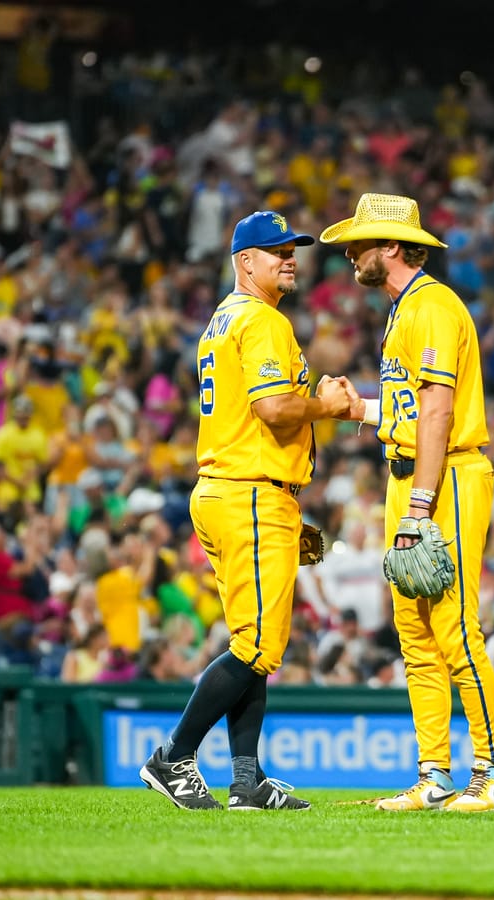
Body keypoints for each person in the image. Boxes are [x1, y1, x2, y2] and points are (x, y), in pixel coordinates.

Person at [139, 210, 349, 811]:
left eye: (292, 249)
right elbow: (276, 409)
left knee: (252, 641)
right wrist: (327, 405)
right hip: (248, 492)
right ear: (243, 262)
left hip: (233, 490)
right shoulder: (260, 319)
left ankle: (246, 780)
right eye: (275, 250)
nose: (289, 258)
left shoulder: (223, 319)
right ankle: (173, 756)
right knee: (257, 645)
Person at [319, 192, 494, 812]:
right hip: (413, 474)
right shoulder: (405, 310)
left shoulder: (430, 307)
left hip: (446, 478)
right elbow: (408, 411)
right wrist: (362, 410)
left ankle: (491, 776)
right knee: (415, 632)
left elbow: (438, 413)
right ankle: (434, 776)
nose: (350, 254)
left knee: (455, 626)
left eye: (361, 244)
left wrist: (420, 506)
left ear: (393, 248)